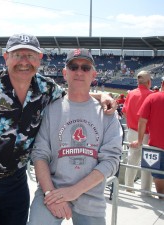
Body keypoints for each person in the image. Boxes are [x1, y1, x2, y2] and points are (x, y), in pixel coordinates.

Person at [0, 34, 117, 225]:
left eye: (31, 56)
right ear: (6, 57)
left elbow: (76, 93)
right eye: (18, 55)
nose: (24, 62)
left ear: (39, 59)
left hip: (16, 181)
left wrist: (101, 95)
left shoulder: (46, 88)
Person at [28, 48, 122, 225]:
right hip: (52, 190)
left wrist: (74, 191)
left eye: (85, 68)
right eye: (73, 66)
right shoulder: (50, 109)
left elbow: (111, 161)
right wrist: (49, 192)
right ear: (65, 73)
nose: (79, 72)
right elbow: (40, 154)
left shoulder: (107, 113)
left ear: (93, 74)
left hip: (90, 194)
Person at [130, 76, 164, 200]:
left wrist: (139, 141)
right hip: (156, 145)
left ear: (162, 83)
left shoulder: (153, 97)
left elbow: (142, 121)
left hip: (155, 145)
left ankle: (161, 198)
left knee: (158, 176)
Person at [122, 70, 153, 193]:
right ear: (149, 82)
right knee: (148, 161)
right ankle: (145, 190)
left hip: (131, 131)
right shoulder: (151, 95)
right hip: (146, 133)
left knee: (131, 161)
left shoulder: (131, 94)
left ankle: (129, 188)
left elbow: (124, 111)